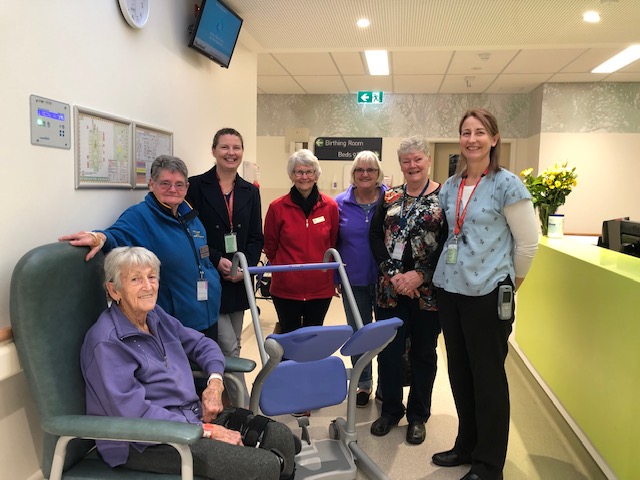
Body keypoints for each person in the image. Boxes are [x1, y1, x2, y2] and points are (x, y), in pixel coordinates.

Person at [81, 246, 297, 480]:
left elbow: (203, 345)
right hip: (146, 440)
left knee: (281, 436)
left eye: (152, 277)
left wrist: (215, 384)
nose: (148, 286)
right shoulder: (107, 343)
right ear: (114, 290)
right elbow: (134, 413)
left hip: (191, 416)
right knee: (263, 466)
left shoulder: (155, 317)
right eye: (135, 279)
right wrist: (208, 431)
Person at [432, 109, 538, 480]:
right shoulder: (450, 185)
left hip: (489, 294)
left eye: (480, 132)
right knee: (460, 374)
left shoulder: (508, 185)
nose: (472, 139)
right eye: (465, 132)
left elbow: (528, 244)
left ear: (494, 139)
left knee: (488, 379)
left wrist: (509, 288)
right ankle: (466, 445)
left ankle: (489, 465)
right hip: (451, 290)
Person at [59, 155, 221, 341]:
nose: (173, 189)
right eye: (165, 183)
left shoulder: (191, 217)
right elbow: (115, 235)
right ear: (151, 184)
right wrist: (98, 237)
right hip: (176, 324)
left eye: (179, 184)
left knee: (212, 363)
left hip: (208, 314)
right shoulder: (140, 216)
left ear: (187, 187)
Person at [369, 137, 446, 445]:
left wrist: (421, 276)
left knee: (423, 354)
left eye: (417, 159)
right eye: (405, 161)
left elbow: (449, 242)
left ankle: (417, 416)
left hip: (428, 294)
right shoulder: (388, 197)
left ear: (427, 160)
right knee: (388, 352)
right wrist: (394, 274)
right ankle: (390, 410)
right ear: (399, 165)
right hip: (390, 290)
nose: (412, 166)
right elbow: (375, 236)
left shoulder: (445, 196)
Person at [187, 128, 264, 407]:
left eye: (236, 147)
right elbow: (190, 234)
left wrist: (246, 266)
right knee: (228, 345)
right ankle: (245, 407)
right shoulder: (195, 186)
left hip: (239, 279)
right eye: (225, 147)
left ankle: (227, 399)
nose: (231, 153)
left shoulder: (250, 192)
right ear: (214, 150)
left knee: (235, 345)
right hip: (210, 277)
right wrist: (216, 258)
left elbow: (257, 237)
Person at [263, 149, 339, 333]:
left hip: (320, 288)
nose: (304, 177)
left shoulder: (330, 207)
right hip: (285, 289)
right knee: (290, 338)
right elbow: (270, 246)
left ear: (316, 175)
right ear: (291, 175)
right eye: (299, 172)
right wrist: (285, 269)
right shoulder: (277, 207)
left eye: (309, 172)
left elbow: (333, 242)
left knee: (313, 338)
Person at [335, 151, 387, 408]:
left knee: (388, 334)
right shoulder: (339, 203)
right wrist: (336, 276)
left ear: (378, 174)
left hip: (387, 281)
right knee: (359, 334)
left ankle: (388, 385)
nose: (365, 174)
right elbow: (333, 243)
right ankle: (363, 383)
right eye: (359, 170)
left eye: (371, 170)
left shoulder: (392, 200)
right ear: (353, 175)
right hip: (352, 281)